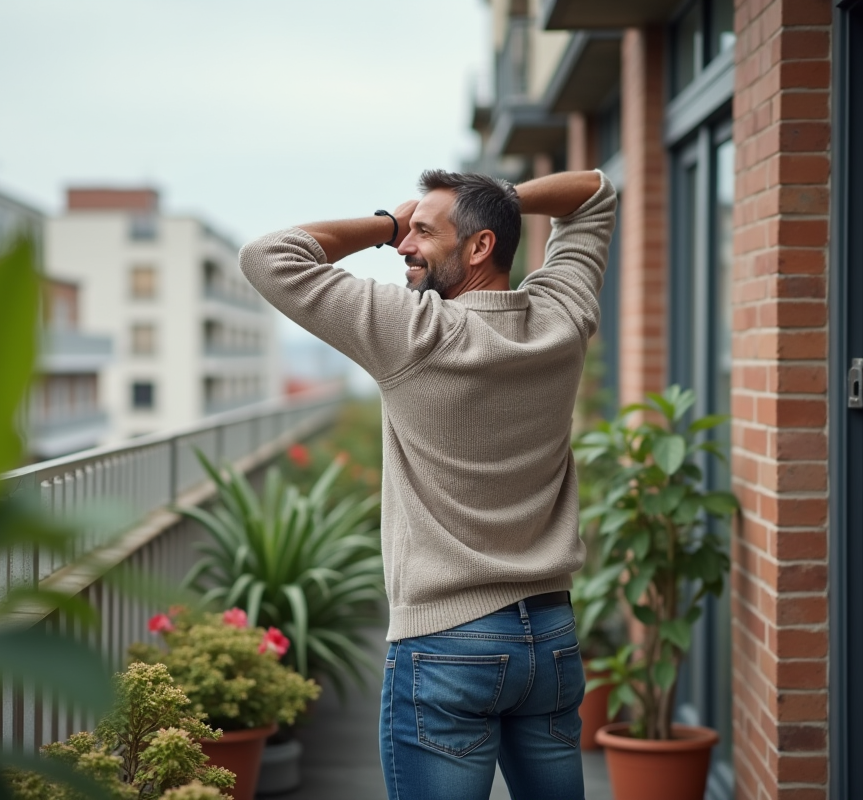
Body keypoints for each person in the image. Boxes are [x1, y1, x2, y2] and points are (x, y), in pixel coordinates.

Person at [239, 168, 617, 800]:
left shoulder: (415, 332)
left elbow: (267, 256)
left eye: (420, 231)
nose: (403, 245)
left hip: (448, 643)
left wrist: (383, 221)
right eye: (403, 231)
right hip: (549, 639)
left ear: (480, 247)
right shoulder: (561, 320)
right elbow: (595, 195)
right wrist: (497, 201)